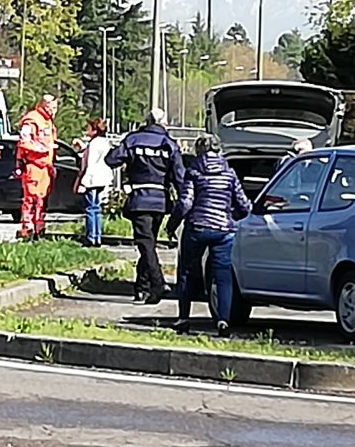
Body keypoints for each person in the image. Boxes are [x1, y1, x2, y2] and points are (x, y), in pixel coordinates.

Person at [172, 134, 254, 336]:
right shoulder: (229, 173)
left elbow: (185, 203)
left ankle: (183, 318)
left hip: (197, 227)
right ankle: (223, 321)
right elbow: (244, 205)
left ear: (198, 150)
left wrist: (172, 224)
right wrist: (231, 216)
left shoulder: (194, 171)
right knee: (223, 276)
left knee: (187, 272)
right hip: (224, 230)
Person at [107, 107, 184, 304]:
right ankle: (143, 289)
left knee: (146, 244)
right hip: (160, 201)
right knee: (147, 244)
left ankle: (156, 283)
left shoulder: (133, 140)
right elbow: (180, 178)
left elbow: (111, 159)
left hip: (140, 199)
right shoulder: (169, 144)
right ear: (163, 123)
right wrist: (184, 203)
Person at [15, 94, 59, 240]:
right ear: (44, 105)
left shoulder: (48, 121)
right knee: (31, 200)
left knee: (42, 200)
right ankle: (28, 228)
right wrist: (42, 149)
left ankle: (39, 227)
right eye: (52, 107)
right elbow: (24, 141)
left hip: (45, 168)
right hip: (34, 166)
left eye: (55, 107)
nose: (54, 110)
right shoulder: (32, 120)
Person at [73, 118, 116, 247]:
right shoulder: (105, 142)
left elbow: (90, 165)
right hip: (102, 179)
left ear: (95, 130)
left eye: (89, 128)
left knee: (91, 209)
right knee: (97, 209)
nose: (87, 130)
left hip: (92, 180)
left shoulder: (94, 144)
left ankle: (91, 237)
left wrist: (83, 183)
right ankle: (97, 237)